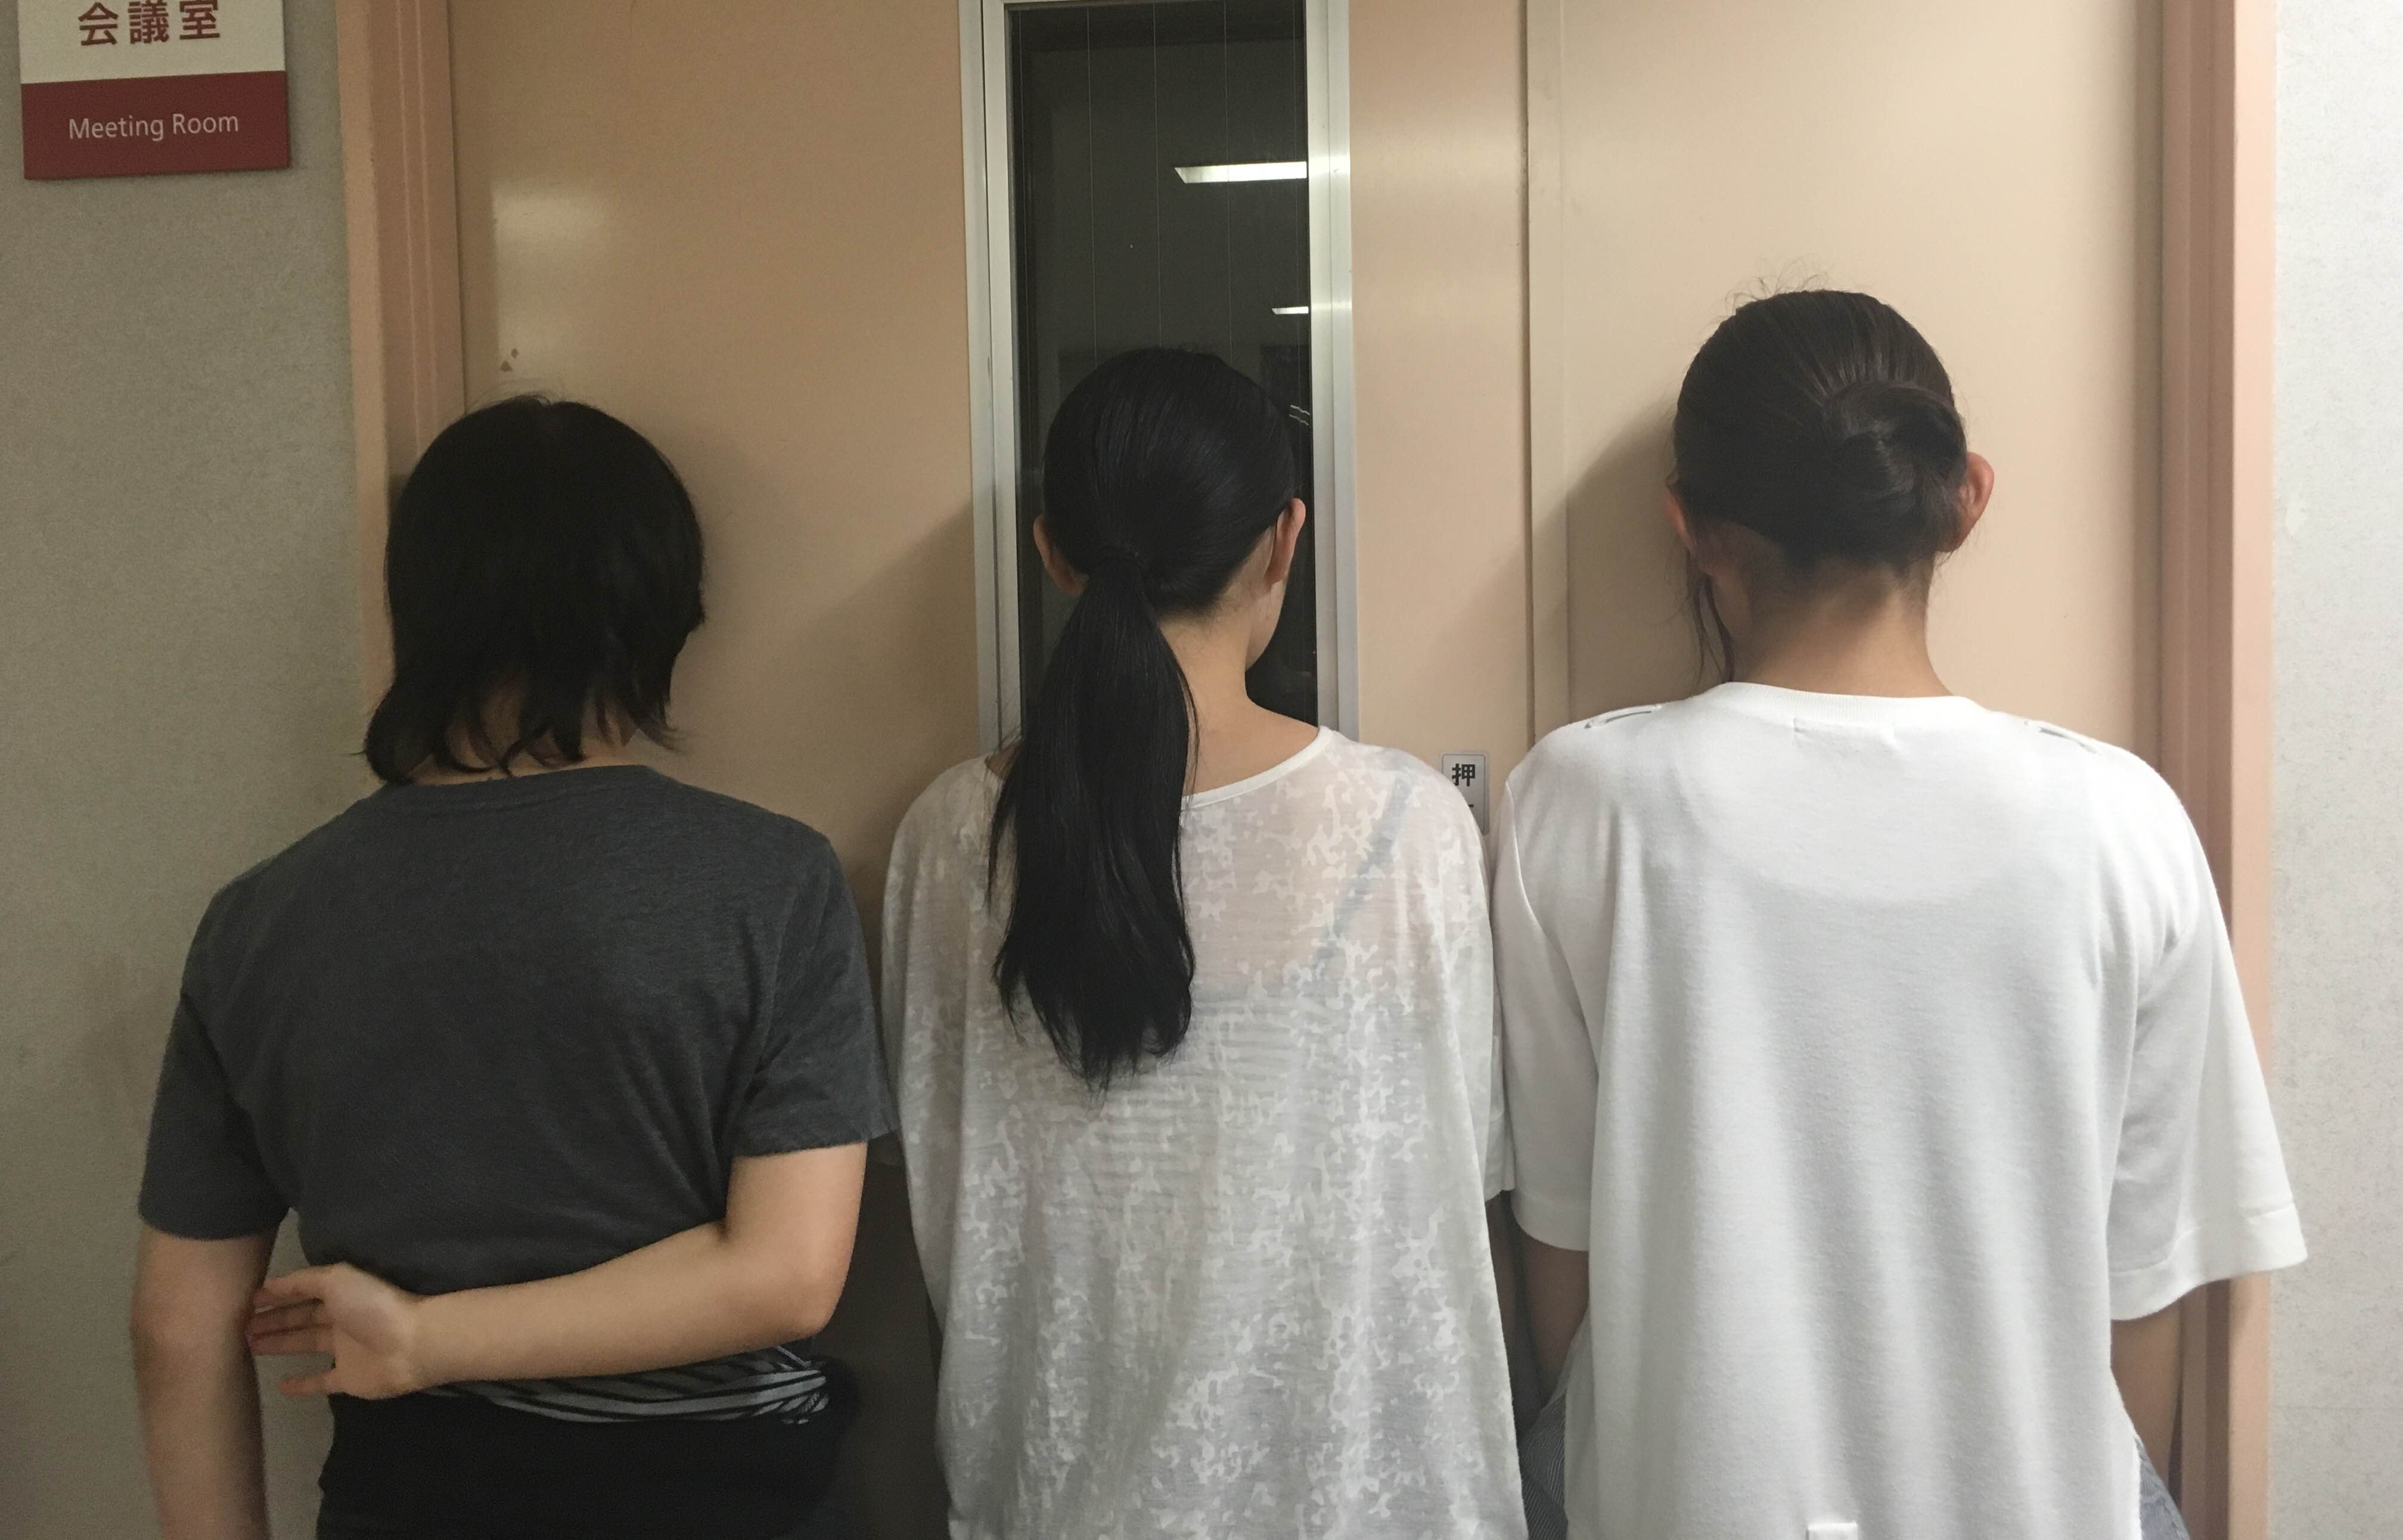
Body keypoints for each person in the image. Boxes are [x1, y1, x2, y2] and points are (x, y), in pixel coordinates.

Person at [1495, 290, 2304, 1540]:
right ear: (1966, 498)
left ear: (1691, 527)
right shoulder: (2121, 820)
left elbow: (1559, 1242)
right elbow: (2147, 1285)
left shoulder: (1579, 802)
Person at [133, 395, 893, 1540]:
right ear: (661, 615)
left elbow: (177, 1327)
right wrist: (423, 1340)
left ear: (418, 610)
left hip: (410, 1499)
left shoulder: (256, 923)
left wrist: (425, 1341)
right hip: (724, 1499)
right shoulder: (773, 883)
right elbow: (783, 1276)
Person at [884, 347, 1523, 1538]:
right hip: (1356, 1503)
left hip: (1057, 1499)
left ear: (1052, 552)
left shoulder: (950, 837)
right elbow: (1459, 1183)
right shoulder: (1409, 826)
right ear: (1285, 541)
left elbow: (942, 1197)